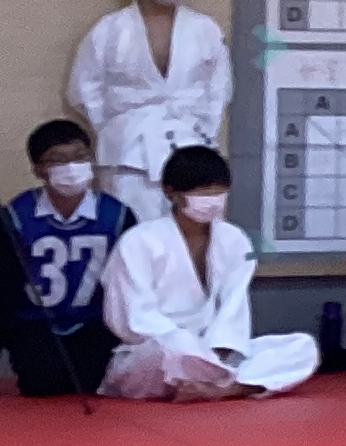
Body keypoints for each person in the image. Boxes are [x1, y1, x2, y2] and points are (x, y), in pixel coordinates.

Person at [96, 146, 318, 397]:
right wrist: (187, 345)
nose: (212, 200)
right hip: (159, 353)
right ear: (171, 192)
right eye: (202, 192)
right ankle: (224, 382)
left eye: (219, 192)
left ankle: (220, 389)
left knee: (302, 347)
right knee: (170, 354)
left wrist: (220, 347)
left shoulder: (234, 240)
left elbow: (234, 304)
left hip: (215, 349)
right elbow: (132, 316)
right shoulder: (138, 242)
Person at [66, 0, 231, 222]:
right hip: (128, 152)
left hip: (191, 143)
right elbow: (84, 89)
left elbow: (219, 88)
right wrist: (115, 127)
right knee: (131, 231)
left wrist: (203, 127)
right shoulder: (110, 30)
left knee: (194, 232)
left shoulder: (205, 29)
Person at [0, 118, 130, 398]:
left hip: (96, 322)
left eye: (80, 157)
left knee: (95, 383)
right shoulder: (16, 218)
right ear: (38, 170)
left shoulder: (117, 215)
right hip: (36, 323)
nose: (71, 167)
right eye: (57, 160)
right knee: (43, 384)